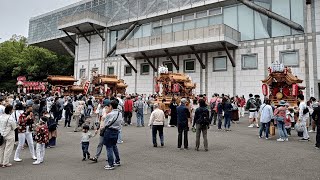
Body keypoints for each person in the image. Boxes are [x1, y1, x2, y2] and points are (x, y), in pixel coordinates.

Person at [103, 100, 122, 170]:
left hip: (109, 131)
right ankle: (117, 160)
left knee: (109, 147)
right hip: (116, 131)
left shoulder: (109, 114)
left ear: (111, 106)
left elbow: (105, 124)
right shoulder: (120, 113)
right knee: (114, 146)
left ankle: (111, 164)